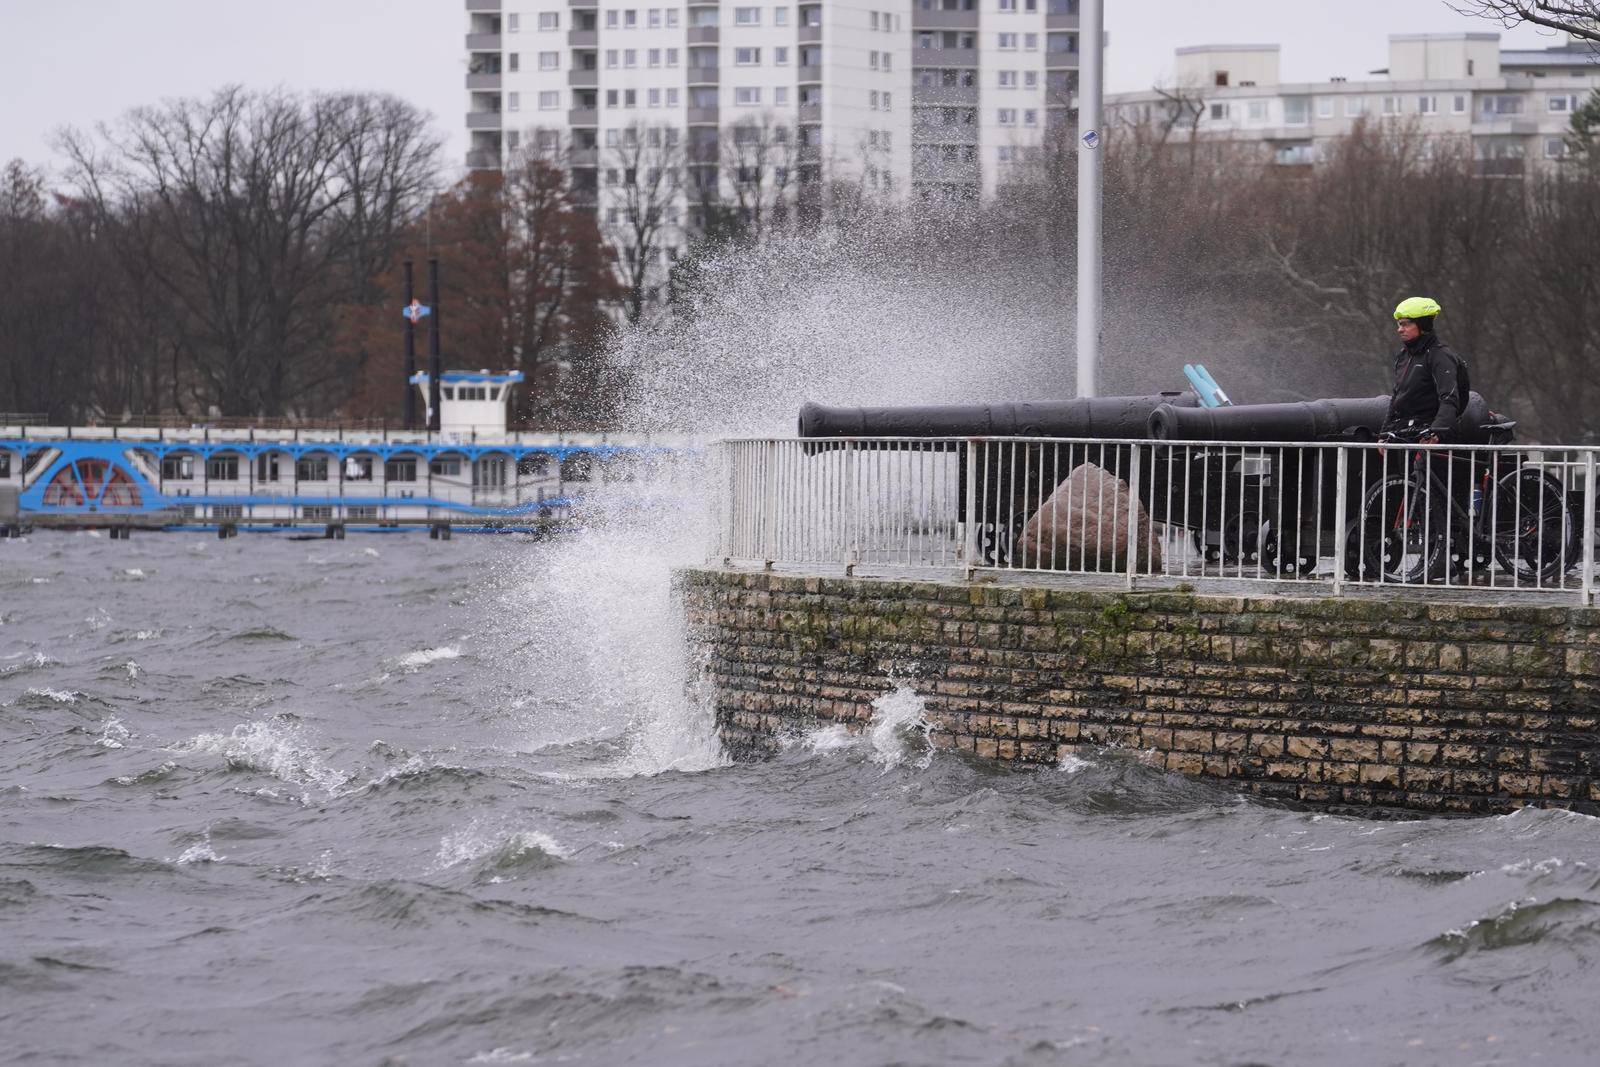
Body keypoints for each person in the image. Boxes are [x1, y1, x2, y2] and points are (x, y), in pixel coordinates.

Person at [1383, 296, 1470, 444]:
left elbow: (1449, 398)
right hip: (1405, 434)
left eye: (1405, 324)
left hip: (1432, 438)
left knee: (1424, 468)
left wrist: (1437, 432)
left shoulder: (1440, 356)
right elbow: (1396, 398)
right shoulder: (1403, 356)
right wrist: (1384, 434)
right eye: (1399, 324)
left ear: (1422, 325)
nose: (1399, 329)